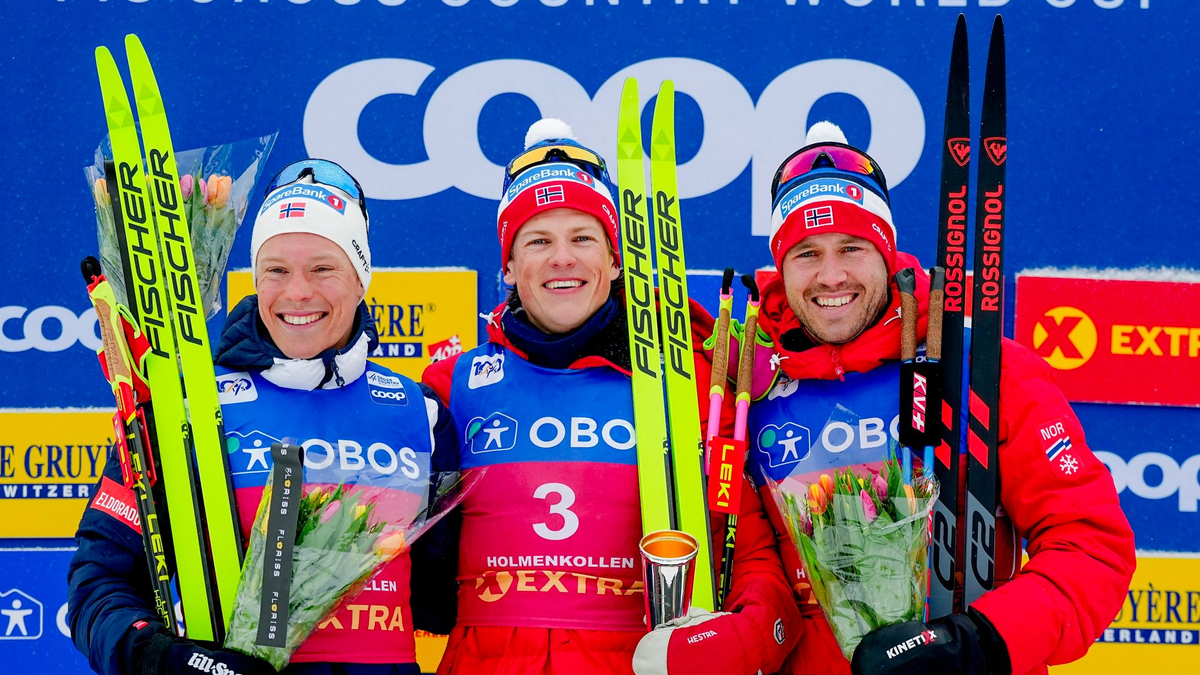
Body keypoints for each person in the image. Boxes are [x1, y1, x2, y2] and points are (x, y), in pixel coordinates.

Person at [746, 122, 1136, 675]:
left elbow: (1090, 547)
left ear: (887, 255)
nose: (830, 275)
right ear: (781, 269)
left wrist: (976, 644)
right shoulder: (750, 391)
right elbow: (751, 574)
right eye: (806, 253)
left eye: (852, 248)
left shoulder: (986, 371)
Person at [421, 119, 799, 675]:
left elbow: (750, 555)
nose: (562, 258)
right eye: (538, 241)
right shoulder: (450, 389)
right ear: (507, 265)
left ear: (616, 259)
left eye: (582, 238)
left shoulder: (683, 385)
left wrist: (745, 639)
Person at [68, 159, 458, 675]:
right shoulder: (187, 410)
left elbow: (443, 602)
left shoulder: (421, 414)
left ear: (361, 276)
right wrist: (164, 659)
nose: (298, 292)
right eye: (276, 269)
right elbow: (99, 581)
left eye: (323, 267)